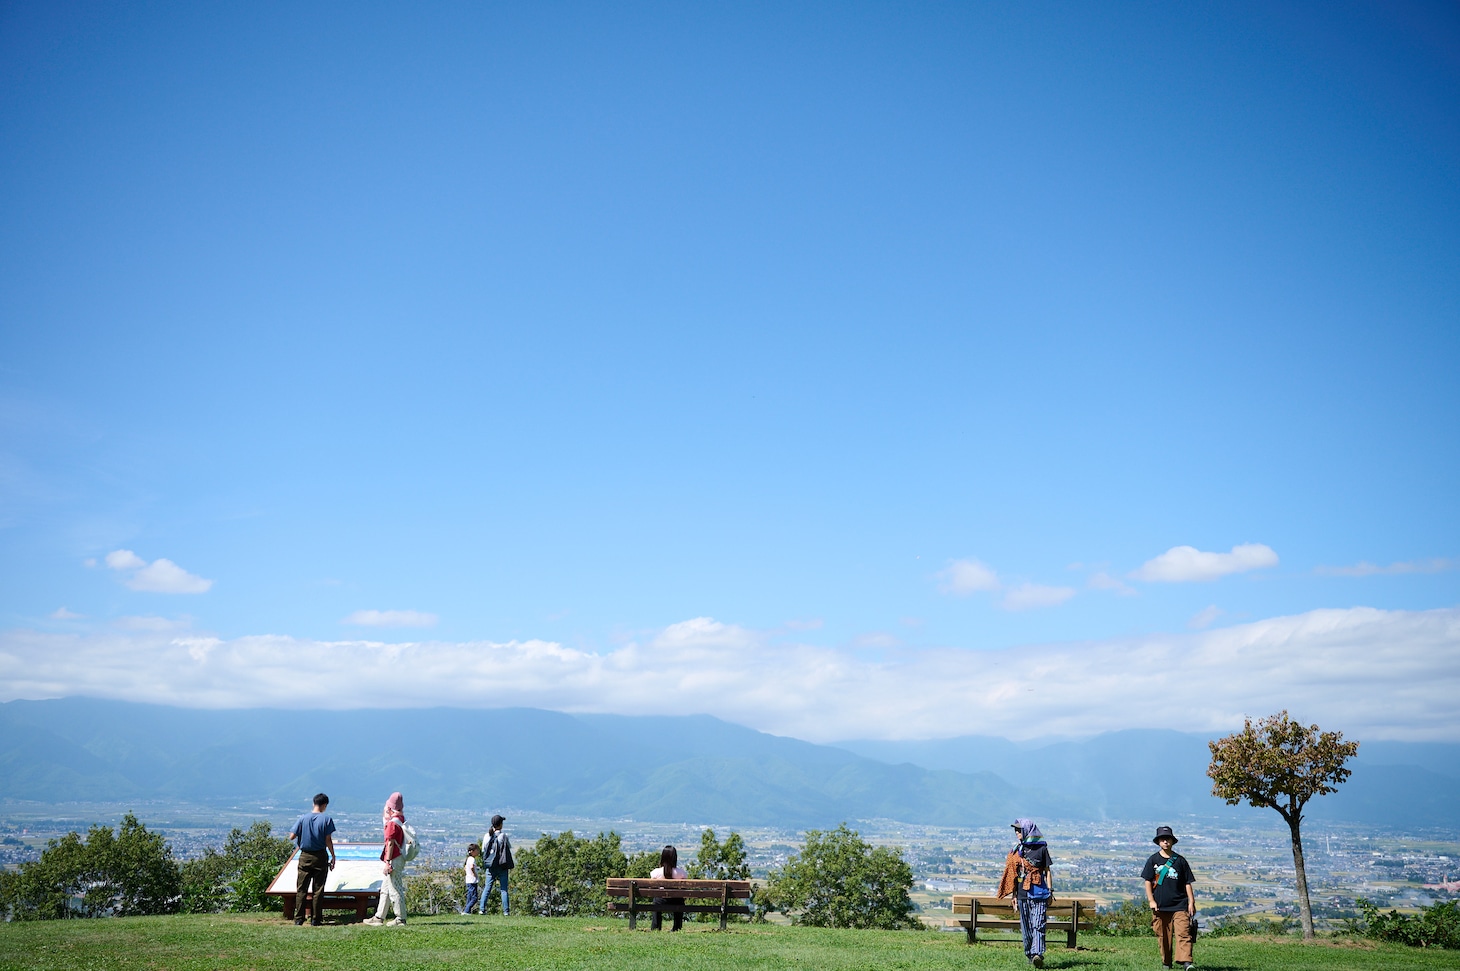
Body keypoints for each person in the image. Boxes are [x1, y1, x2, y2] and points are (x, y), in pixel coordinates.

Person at [1142, 825, 1197, 970]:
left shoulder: (1180, 861)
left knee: (1184, 932)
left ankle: (1186, 962)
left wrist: (1191, 901)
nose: (1166, 841)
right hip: (1160, 905)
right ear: (1158, 842)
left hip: (1180, 904)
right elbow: (1147, 881)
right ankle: (1166, 963)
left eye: (1168, 839)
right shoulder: (1153, 860)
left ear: (1173, 841)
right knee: (1163, 936)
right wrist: (1151, 901)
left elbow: (1187, 883)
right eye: (1163, 839)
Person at [287, 792, 337, 926]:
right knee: (318, 889)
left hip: (304, 856)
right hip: (320, 856)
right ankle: (316, 919)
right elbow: (328, 840)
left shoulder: (303, 818)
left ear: (313, 803)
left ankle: (299, 918)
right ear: (325, 805)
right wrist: (333, 855)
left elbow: (292, 836)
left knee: (301, 888)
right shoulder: (326, 819)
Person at [1011, 818, 1053, 968]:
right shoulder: (1017, 850)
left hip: (1039, 893)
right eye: (1015, 830)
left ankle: (1038, 954)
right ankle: (1030, 955)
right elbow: (1014, 875)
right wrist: (1014, 896)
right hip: (1022, 894)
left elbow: (1047, 871)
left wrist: (1050, 891)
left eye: (1019, 829)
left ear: (1027, 830)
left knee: (1038, 924)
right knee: (1027, 927)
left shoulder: (1041, 849)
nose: (1016, 832)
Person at [364, 792, 408, 926]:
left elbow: (389, 842)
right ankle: (379, 917)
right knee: (386, 889)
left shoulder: (392, 824)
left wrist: (387, 862)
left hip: (393, 858)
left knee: (395, 888)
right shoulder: (401, 819)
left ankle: (400, 918)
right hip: (399, 857)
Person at [478, 814, 513, 915]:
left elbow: (484, 849)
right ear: (500, 824)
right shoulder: (503, 836)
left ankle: (482, 909)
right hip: (502, 865)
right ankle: (506, 911)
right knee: (503, 889)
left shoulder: (487, 836)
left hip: (490, 865)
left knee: (487, 887)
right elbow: (508, 847)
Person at [649, 844, 688, 932]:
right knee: (680, 899)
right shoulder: (681, 873)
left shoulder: (656, 872)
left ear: (663, 857)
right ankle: (677, 927)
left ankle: (656, 927)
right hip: (676, 901)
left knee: (656, 900)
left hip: (660, 901)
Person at [463, 843, 481, 915]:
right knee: (474, 898)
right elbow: (471, 867)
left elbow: (465, 868)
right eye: (477, 850)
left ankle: (467, 911)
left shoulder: (468, 859)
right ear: (473, 851)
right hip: (472, 880)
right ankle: (466, 910)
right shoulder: (472, 859)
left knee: (469, 897)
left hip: (468, 880)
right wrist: (474, 874)